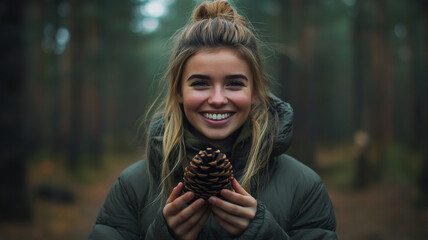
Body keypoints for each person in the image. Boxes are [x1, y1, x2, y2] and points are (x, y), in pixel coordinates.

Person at [89, 0, 337, 239]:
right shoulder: (133, 187)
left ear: (254, 93)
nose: (218, 99)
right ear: (178, 92)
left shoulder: (303, 187)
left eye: (234, 84)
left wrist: (265, 235)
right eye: (200, 83)